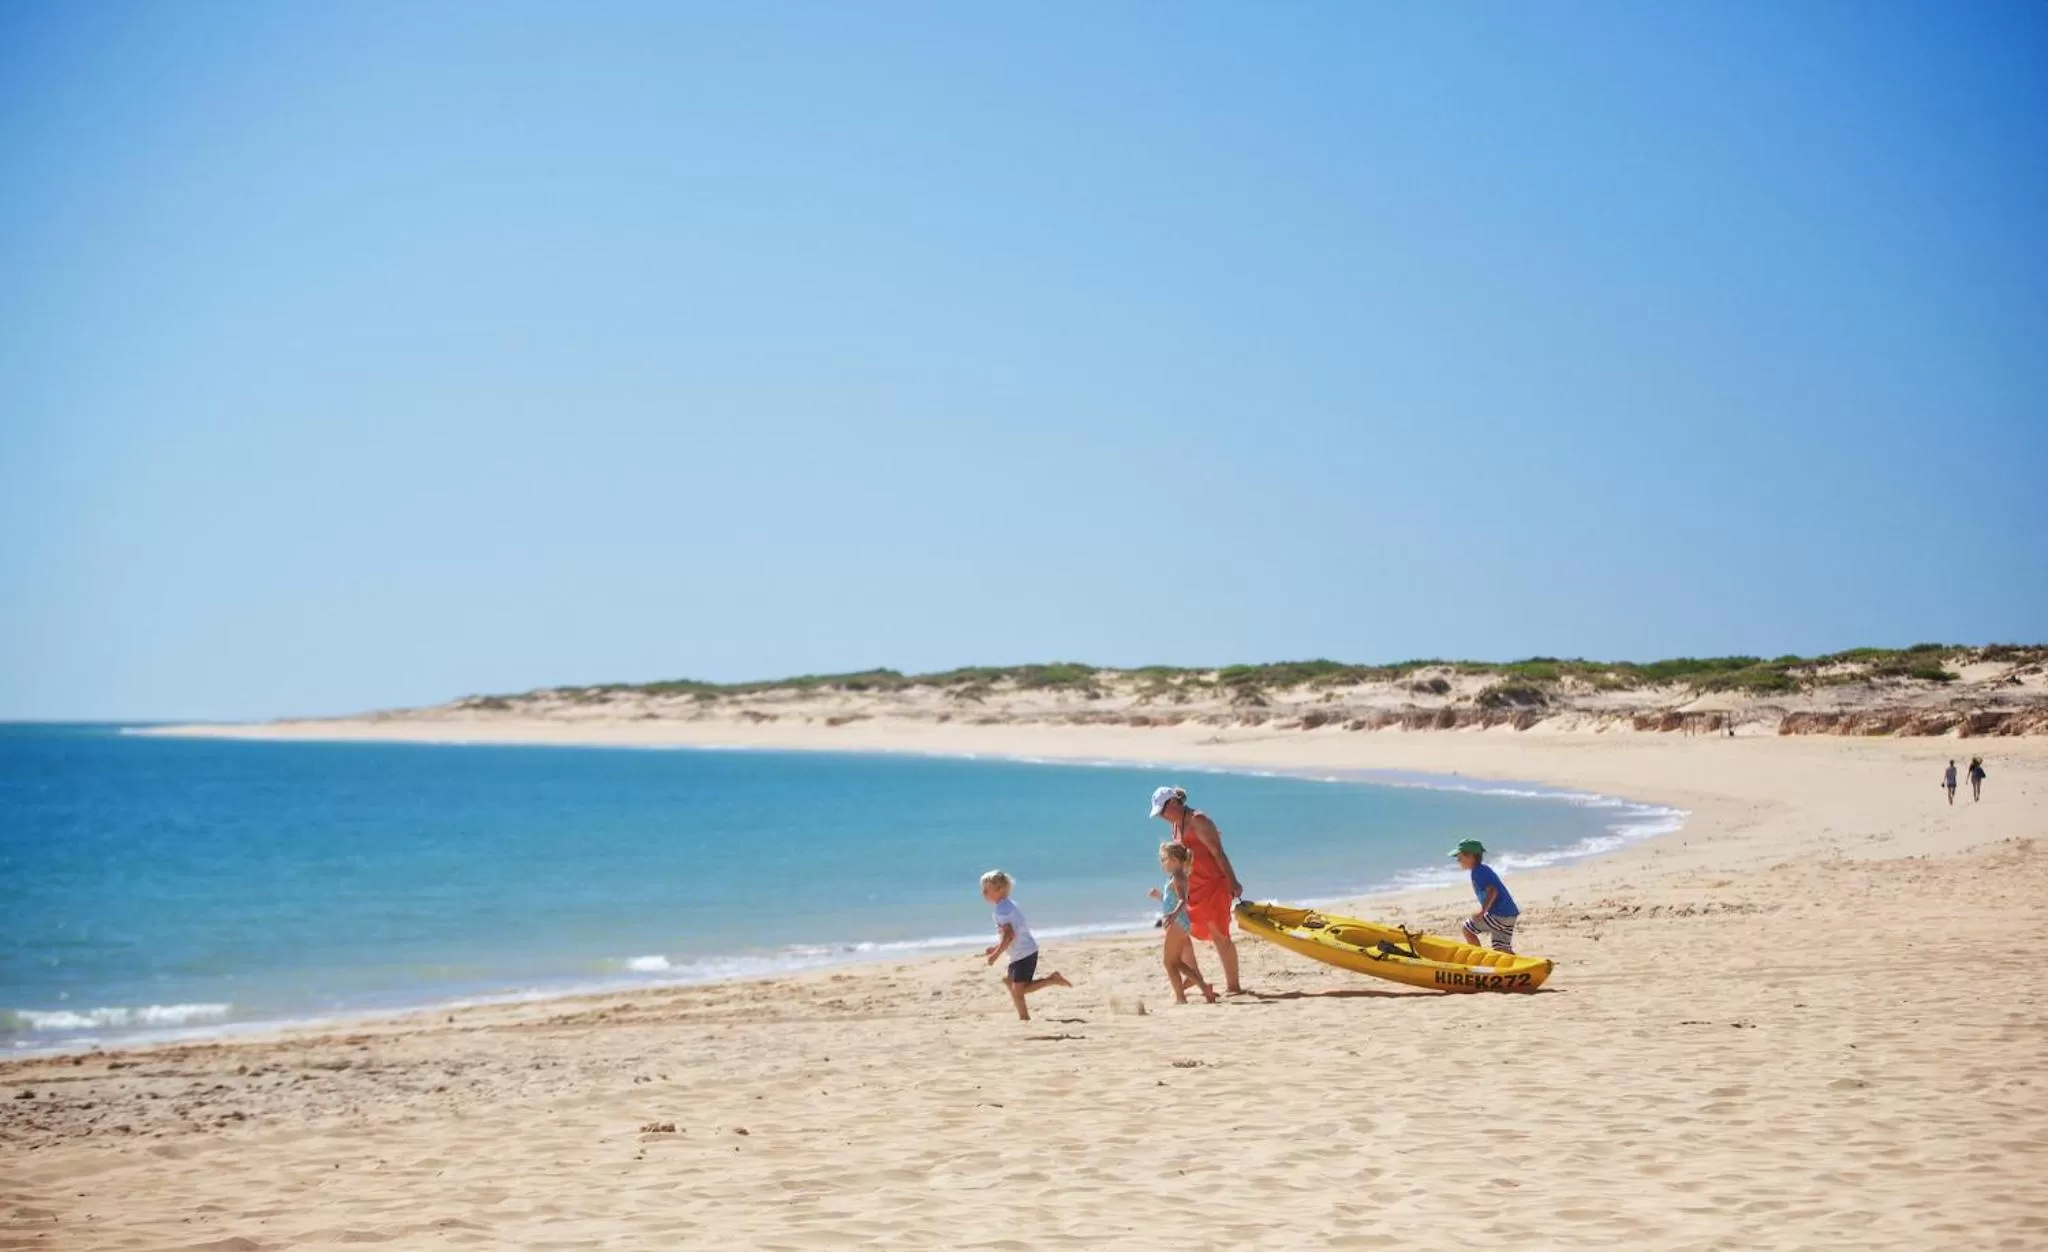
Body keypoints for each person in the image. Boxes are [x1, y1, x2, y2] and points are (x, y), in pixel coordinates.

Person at [1150, 785, 1246, 994]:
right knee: (1184, 931)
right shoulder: (1176, 826)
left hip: (1214, 885)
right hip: (1193, 889)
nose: (1162, 817)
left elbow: (1218, 853)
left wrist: (1233, 882)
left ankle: (1234, 987)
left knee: (1219, 935)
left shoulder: (1197, 820)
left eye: (1162, 811)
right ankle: (1195, 975)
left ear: (1173, 803)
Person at [979, 870, 1069, 1021]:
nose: (983, 893)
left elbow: (1009, 935)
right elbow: (1010, 934)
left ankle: (1052, 979)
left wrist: (995, 955)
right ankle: (1024, 1016)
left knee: (1019, 990)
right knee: (1011, 984)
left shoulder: (1002, 910)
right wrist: (996, 947)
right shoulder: (1008, 905)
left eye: (987, 889)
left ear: (999, 889)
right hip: (1020, 953)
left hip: (1024, 954)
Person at [1148, 842, 1217, 1005]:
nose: (1162, 864)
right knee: (1176, 962)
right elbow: (1171, 900)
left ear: (1174, 860)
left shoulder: (1179, 877)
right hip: (1181, 923)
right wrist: (1159, 896)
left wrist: (1172, 915)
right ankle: (1204, 988)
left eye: (1164, 859)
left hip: (1178, 923)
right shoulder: (1176, 876)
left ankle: (1181, 998)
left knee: (1169, 963)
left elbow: (1182, 900)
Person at [1450, 839, 1521, 954]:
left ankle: (1478, 957)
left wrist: (1482, 911)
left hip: (1499, 914)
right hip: (1510, 914)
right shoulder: (1482, 870)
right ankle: (1518, 963)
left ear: (1470, 856)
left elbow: (1493, 891)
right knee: (1501, 948)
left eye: (1459, 857)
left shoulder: (1479, 872)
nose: (1458, 861)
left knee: (1467, 929)